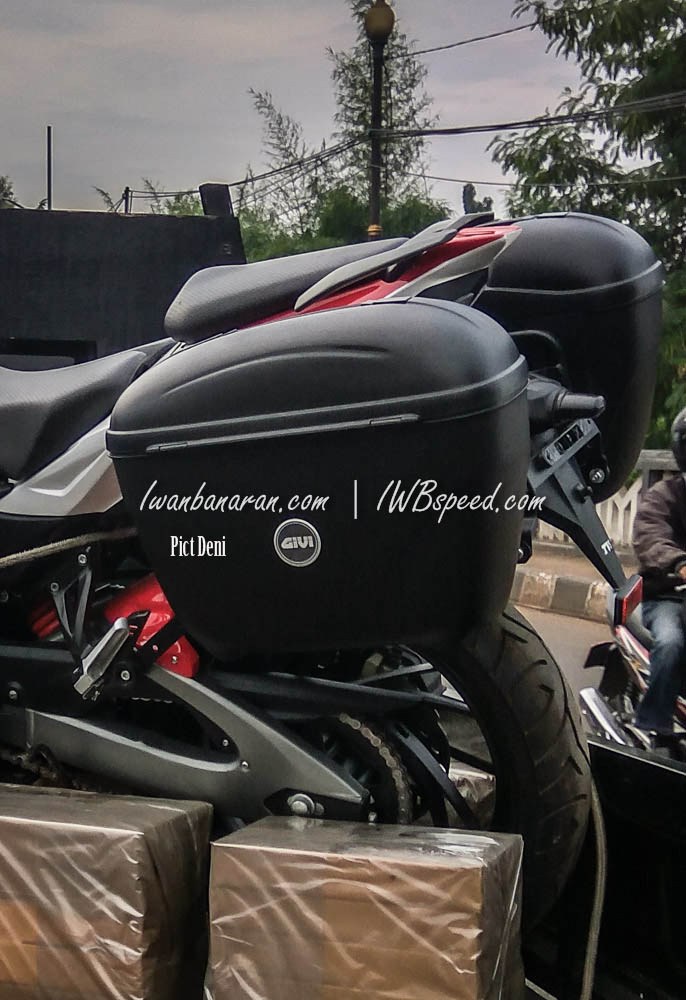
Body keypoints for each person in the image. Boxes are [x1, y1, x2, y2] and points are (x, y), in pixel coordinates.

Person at [632, 407, 686, 735]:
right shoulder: (662, 496)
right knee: (671, 644)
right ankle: (653, 726)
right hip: (666, 596)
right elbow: (650, 536)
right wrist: (680, 563)